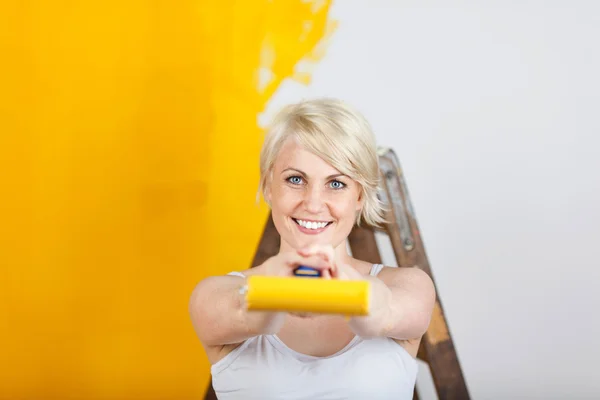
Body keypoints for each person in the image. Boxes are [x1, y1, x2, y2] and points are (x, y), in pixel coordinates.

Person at [189, 98, 436, 399]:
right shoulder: (213, 294)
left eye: (336, 184)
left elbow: (382, 313)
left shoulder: (410, 285)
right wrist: (277, 289)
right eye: (295, 179)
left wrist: (335, 283)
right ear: (268, 186)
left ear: (360, 196)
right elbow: (248, 313)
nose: (314, 204)